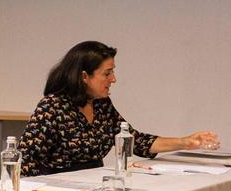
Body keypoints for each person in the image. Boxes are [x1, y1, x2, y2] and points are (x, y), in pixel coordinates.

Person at [19, 41, 220, 177]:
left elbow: (136, 141)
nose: (113, 79)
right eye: (107, 73)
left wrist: (185, 142)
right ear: (84, 76)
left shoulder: (101, 105)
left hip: (94, 184)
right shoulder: (51, 107)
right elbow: (25, 162)